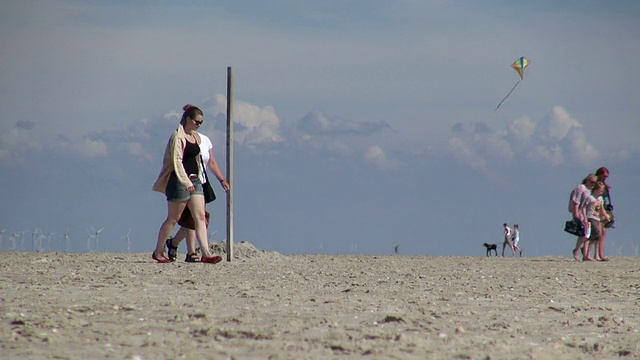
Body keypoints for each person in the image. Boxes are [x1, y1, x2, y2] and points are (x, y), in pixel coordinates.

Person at [151, 104, 222, 264]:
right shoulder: (177, 136)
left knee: (200, 216)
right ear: (188, 119)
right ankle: (158, 250)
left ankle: (206, 252)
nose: (198, 125)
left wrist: (197, 179)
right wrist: (185, 181)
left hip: (195, 179)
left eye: (201, 123)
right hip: (178, 180)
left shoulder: (196, 137)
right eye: (197, 122)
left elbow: (198, 160)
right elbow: (176, 161)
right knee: (173, 218)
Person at [166, 131, 230, 262]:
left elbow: (211, 162)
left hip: (201, 182)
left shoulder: (205, 140)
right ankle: (191, 251)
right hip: (186, 181)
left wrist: (221, 179)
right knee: (188, 217)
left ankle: (175, 243)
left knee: (199, 218)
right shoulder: (181, 138)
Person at [581, 181, 610, 261]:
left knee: (597, 237)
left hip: (597, 218)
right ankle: (587, 255)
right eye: (601, 190)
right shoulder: (590, 198)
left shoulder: (600, 199)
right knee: (596, 234)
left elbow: (601, 209)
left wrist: (606, 216)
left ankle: (594, 255)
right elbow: (583, 207)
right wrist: (585, 218)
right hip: (591, 217)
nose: (602, 191)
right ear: (596, 189)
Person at [570, 174, 597, 261]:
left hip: (585, 213)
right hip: (579, 212)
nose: (593, 184)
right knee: (583, 233)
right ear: (587, 180)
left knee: (587, 234)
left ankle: (582, 252)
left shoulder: (589, 190)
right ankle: (577, 250)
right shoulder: (581, 187)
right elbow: (576, 201)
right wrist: (575, 215)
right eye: (591, 182)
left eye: (594, 183)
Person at [595, 167, 612, 261]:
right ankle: (598, 254)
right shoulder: (596, 184)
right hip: (597, 209)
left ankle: (600, 253)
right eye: (604, 176)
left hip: (603, 208)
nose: (605, 178)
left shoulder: (604, 185)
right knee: (599, 232)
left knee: (603, 232)